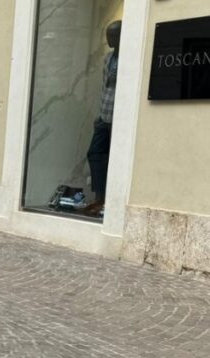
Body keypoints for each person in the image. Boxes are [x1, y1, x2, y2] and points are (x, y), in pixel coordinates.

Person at [86, 20, 121, 217]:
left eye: (113, 35)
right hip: (104, 114)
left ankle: (111, 202)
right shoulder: (108, 58)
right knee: (95, 153)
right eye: (108, 34)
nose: (109, 39)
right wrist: (99, 115)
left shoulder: (129, 57)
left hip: (118, 117)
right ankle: (100, 198)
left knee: (114, 159)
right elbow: (104, 87)